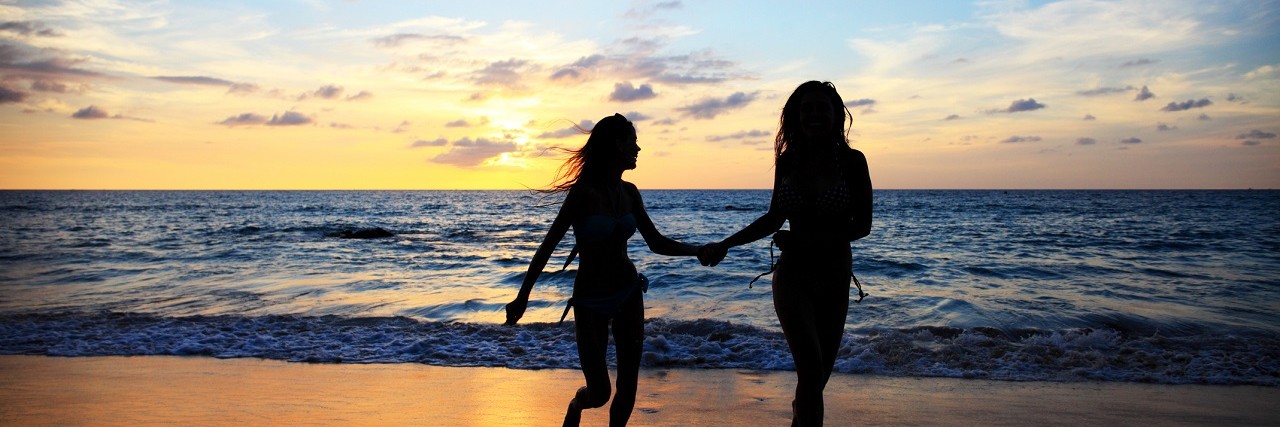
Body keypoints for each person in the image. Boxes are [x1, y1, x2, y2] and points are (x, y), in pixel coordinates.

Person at [505, 113, 700, 427]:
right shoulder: (584, 193)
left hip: (627, 292)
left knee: (628, 386)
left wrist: (697, 250)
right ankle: (575, 405)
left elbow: (656, 241)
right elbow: (547, 247)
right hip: (590, 299)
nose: (638, 149)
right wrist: (522, 297)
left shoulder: (631, 193)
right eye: (632, 142)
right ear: (615, 145)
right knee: (599, 391)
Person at [698, 81, 872, 426]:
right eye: (807, 108)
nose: (815, 114)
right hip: (793, 276)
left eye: (823, 107)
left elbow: (862, 225)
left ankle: (799, 418)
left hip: (835, 275)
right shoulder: (788, 160)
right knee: (810, 371)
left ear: (837, 115)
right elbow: (774, 217)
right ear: (796, 116)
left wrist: (810, 242)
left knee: (817, 377)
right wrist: (725, 244)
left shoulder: (852, 162)